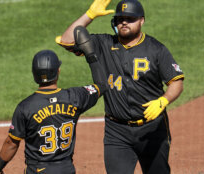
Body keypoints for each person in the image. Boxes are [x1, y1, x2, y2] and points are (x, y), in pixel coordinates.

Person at [55, 0, 184, 173]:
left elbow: (176, 81)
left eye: (130, 18)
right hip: (116, 132)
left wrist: (163, 100)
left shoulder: (156, 49)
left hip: (152, 129)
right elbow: (66, 40)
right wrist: (89, 15)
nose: (124, 22)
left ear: (142, 21)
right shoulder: (103, 44)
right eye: (120, 18)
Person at [0, 26, 107, 174]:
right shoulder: (75, 97)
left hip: (38, 170)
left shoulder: (25, 107)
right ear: (58, 72)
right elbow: (102, 85)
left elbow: (11, 143)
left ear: (34, 74)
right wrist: (90, 54)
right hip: (66, 169)